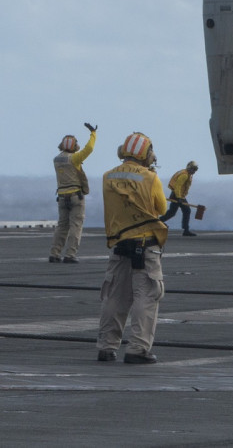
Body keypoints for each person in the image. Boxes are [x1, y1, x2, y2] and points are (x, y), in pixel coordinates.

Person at [96, 132, 168, 364]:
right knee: (146, 296)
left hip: (119, 245)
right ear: (146, 153)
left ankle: (106, 347)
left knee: (115, 297)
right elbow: (162, 208)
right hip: (145, 246)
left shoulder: (108, 176)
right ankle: (138, 348)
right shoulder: (149, 178)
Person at [50, 122, 97, 264]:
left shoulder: (56, 159)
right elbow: (89, 149)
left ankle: (54, 254)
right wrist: (93, 134)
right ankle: (70, 255)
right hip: (76, 196)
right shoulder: (75, 158)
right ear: (74, 146)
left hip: (62, 197)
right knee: (75, 226)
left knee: (62, 226)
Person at [159, 161, 199, 236]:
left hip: (179, 195)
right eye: (193, 169)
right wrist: (179, 198)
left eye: (195, 170)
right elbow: (178, 186)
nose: (194, 171)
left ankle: (157, 222)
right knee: (186, 210)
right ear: (189, 168)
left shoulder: (186, 173)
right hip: (177, 195)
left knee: (172, 212)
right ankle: (186, 230)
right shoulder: (184, 175)